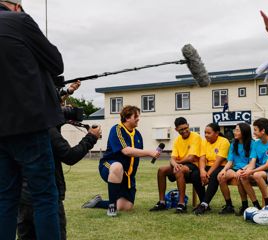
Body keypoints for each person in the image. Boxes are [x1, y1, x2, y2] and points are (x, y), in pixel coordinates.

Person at [0, 1, 65, 239]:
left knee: (6, 198)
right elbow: (56, 63)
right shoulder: (20, 21)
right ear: (16, 5)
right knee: (44, 196)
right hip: (29, 124)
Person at [17, 82, 102, 240]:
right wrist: (91, 137)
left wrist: (68, 91)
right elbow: (69, 156)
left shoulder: (19, 122)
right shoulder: (47, 128)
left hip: (22, 198)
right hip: (46, 197)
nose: (64, 108)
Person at [97, 105, 160, 217]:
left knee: (125, 207)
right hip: (109, 167)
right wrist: (150, 152)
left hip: (128, 177)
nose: (138, 118)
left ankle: (98, 202)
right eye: (135, 116)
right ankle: (111, 207)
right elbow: (126, 151)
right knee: (117, 166)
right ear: (127, 118)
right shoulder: (117, 129)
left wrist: (152, 153)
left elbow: (136, 152)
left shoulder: (138, 134)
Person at [149, 117, 204, 213]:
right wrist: (174, 163)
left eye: (185, 128)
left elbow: (191, 158)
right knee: (161, 170)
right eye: (181, 129)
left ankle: (181, 204)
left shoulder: (196, 136)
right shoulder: (177, 140)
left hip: (193, 165)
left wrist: (176, 163)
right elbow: (172, 158)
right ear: (176, 130)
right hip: (181, 164)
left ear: (188, 125)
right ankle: (162, 202)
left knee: (179, 170)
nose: (184, 131)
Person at [240, 118, 268, 209]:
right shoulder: (256, 143)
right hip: (258, 170)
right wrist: (246, 171)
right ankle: (256, 205)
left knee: (257, 175)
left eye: (255, 130)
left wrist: (251, 172)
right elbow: (252, 162)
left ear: (262, 131)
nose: (253, 132)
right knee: (243, 177)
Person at [217, 123, 254, 215]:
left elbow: (251, 163)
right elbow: (230, 161)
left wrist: (241, 169)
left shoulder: (253, 144)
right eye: (235, 130)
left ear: (244, 132)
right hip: (235, 169)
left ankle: (244, 205)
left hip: (247, 169)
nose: (234, 132)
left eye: (237, 130)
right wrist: (224, 170)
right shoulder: (233, 144)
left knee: (239, 176)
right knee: (220, 177)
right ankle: (229, 206)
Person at [193, 123, 230, 215]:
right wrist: (202, 171)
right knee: (195, 174)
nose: (206, 135)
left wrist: (207, 175)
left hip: (221, 166)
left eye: (208, 133)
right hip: (208, 166)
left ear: (217, 133)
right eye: (205, 133)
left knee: (213, 176)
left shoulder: (224, 141)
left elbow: (218, 161)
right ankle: (203, 202)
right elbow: (202, 158)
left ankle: (204, 204)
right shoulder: (204, 142)